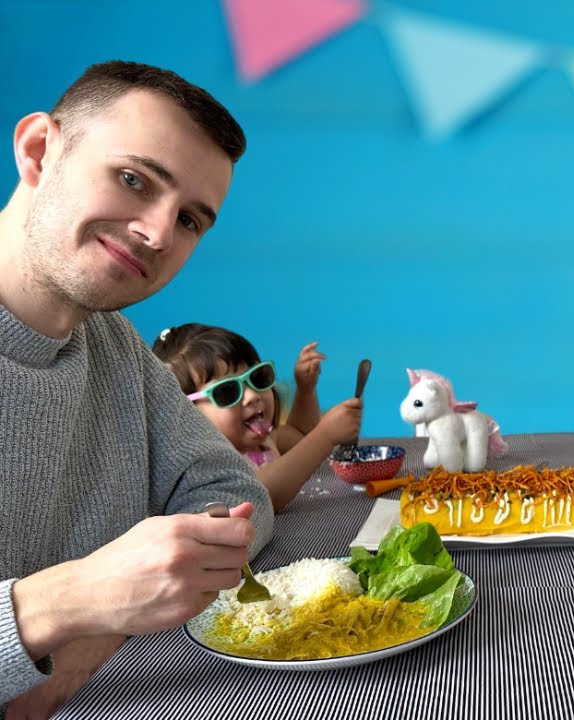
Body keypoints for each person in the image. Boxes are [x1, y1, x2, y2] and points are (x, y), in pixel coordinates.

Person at [0, 61, 273, 714]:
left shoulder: (114, 344)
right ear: (38, 150)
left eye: (190, 220)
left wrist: (97, 629)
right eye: (133, 179)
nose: (157, 233)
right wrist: (69, 604)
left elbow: (235, 490)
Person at [154, 324, 364, 511]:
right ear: (185, 413)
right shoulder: (210, 467)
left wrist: (305, 391)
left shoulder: (266, 442)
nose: (252, 395)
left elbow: (300, 435)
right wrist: (325, 436)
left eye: (256, 377)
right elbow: (264, 493)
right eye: (227, 391)